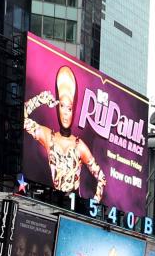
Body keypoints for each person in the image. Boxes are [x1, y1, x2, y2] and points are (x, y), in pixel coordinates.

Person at [24, 65, 106, 200]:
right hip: (50, 200)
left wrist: (95, 203)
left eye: (70, 108)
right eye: (62, 106)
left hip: (74, 207)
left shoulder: (79, 145)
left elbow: (101, 178)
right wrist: (40, 99)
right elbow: (21, 118)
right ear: (57, 105)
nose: (66, 113)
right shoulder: (49, 137)